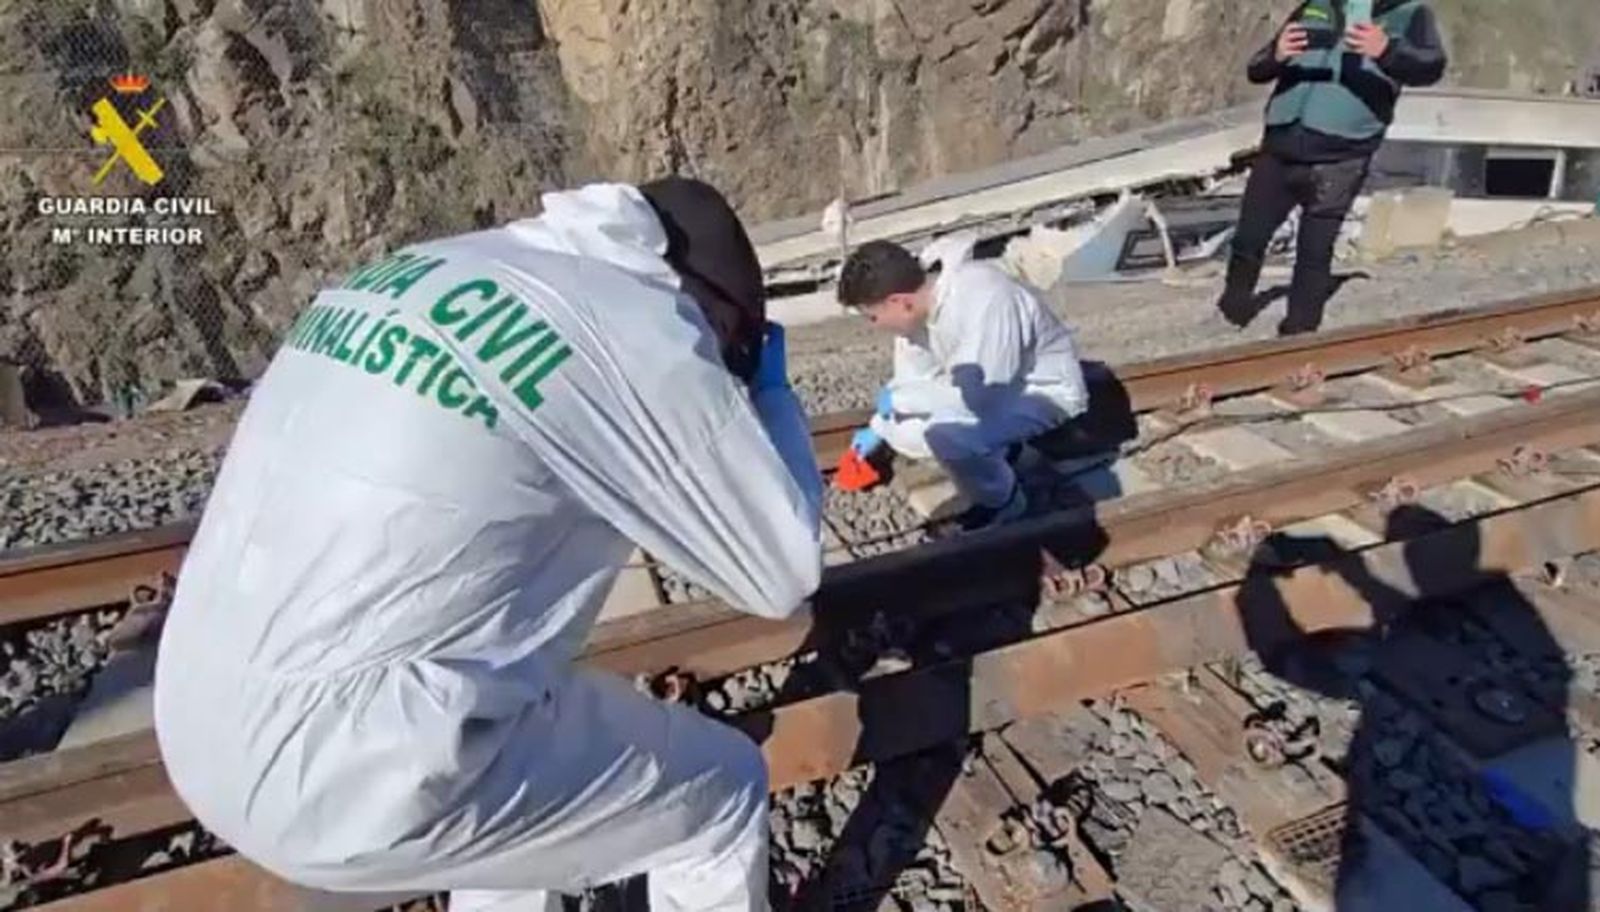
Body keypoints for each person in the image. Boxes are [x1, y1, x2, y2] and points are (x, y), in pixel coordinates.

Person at [151, 178, 825, 912]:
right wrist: (768, 393)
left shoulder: (421, 266)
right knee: (721, 793)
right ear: (710, 304)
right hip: (349, 781)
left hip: (194, 730)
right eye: (732, 340)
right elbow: (780, 571)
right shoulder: (648, 325)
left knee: (517, 812)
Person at [1218, 0, 1447, 335]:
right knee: (1248, 238)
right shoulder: (1315, 6)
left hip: (1341, 157)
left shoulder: (1410, 14)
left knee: (1314, 251)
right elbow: (1257, 69)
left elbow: (1431, 67)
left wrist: (1387, 50)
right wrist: (1277, 55)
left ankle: (1299, 331)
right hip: (1279, 149)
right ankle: (1232, 308)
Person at [836, 235, 1089, 532]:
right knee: (904, 433)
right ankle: (1008, 451)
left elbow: (980, 397)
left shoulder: (987, 297)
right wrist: (879, 427)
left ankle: (1004, 502)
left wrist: (902, 401)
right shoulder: (916, 315)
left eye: (873, 317)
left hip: (1041, 393)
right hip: (993, 391)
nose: (874, 326)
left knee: (949, 437)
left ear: (899, 302)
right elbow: (912, 378)